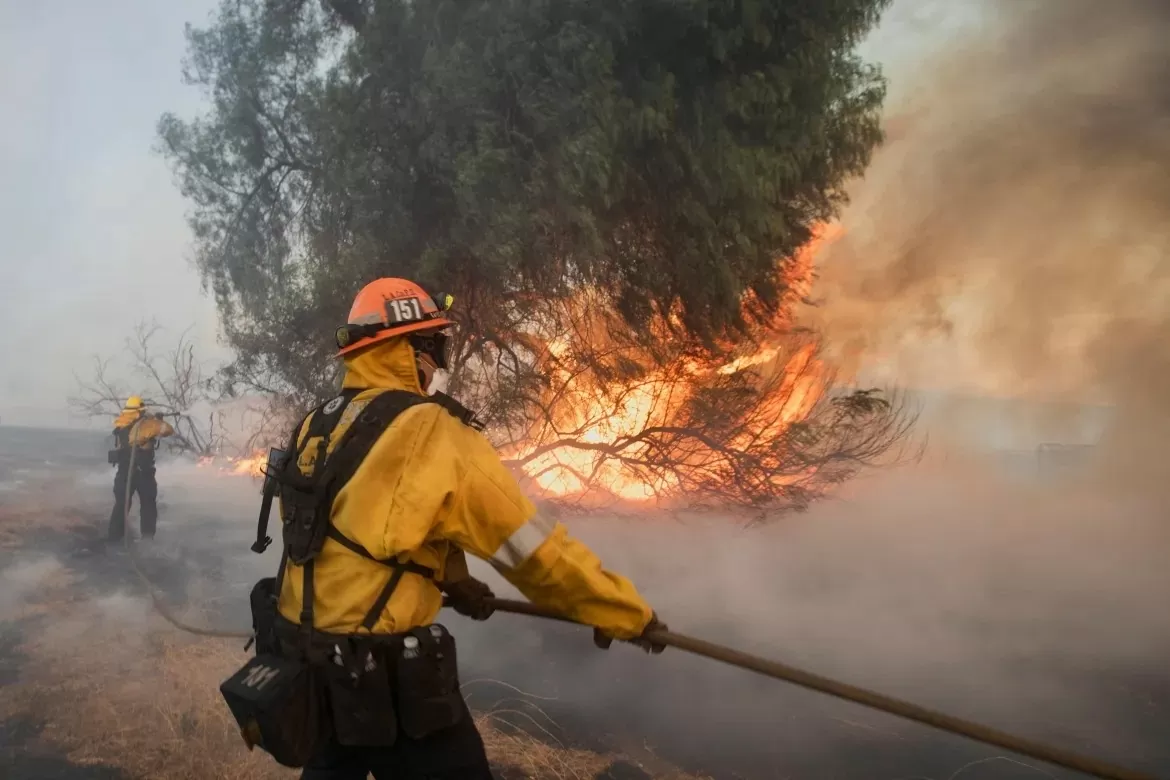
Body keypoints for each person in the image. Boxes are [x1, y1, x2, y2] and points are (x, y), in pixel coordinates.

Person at [268, 278, 665, 780]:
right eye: (435, 346)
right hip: (384, 678)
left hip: (309, 658)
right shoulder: (431, 430)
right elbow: (532, 550)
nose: (440, 362)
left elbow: (370, 528)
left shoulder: (321, 423)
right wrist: (623, 611)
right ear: (411, 349)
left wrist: (452, 578)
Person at [107, 395, 174, 544]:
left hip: (123, 472)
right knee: (148, 504)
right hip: (143, 472)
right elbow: (168, 430)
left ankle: (114, 539)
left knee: (122, 504)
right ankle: (147, 539)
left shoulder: (121, 425)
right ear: (139, 412)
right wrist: (157, 420)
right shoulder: (147, 425)